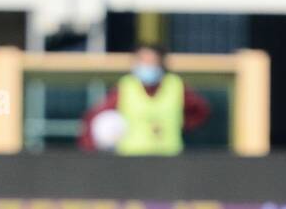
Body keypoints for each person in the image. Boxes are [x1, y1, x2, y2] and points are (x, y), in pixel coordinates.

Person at [77, 43, 211, 155]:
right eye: (143, 61)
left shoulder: (176, 86)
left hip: (170, 156)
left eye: (152, 61)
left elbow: (200, 111)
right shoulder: (126, 86)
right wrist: (89, 148)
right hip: (132, 158)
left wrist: (183, 124)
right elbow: (95, 116)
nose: (147, 65)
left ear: (161, 63)